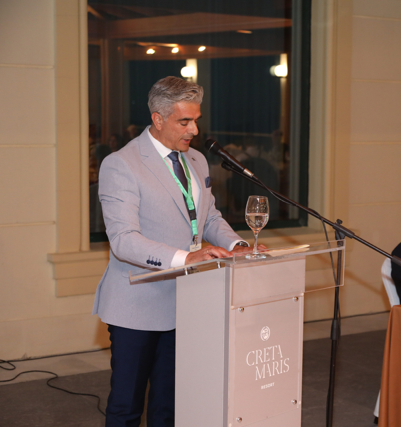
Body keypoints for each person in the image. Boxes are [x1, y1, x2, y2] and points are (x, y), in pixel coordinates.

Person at [93, 76, 254, 427]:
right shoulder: (122, 164)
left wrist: (236, 245)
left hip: (187, 303)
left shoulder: (196, 159)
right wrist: (186, 258)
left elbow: (209, 216)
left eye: (196, 120)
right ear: (158, 118)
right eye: (185, 121)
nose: (194, 130)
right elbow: (123, 240)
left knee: (170, 406)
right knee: (126, 408)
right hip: (137, 304)